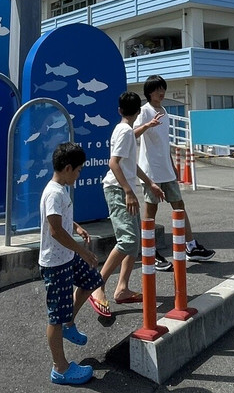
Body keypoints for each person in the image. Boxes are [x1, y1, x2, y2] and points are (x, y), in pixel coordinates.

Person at [89, 91, 165, 318]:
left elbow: (130, 165)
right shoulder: (124, 132)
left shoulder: (126, 131)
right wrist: (129, 192)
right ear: (138, 111)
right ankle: (98, 285)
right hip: (118, 189)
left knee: (134, 240)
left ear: (119, 110)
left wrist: (149, 183)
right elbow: (114, 163)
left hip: (124, 189)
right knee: (128, 240)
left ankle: (121, 288)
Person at [136, 75, 216, 270]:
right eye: (156, 90)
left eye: (162, 88)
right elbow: (132, 132)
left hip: (166, 169)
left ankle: (190, 246)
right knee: (151, 210)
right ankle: (150, 251)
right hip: (151, 171)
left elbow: (165, 143)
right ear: (148, 93)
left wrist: (172, 165)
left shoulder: (164, 111)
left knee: (179, 206)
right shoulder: (145, 111)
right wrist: (147, 125)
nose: (161, 92)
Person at [39, 142, 103, 386]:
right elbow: (55, 230)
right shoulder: (54, 192)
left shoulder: (59, 189)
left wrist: (75, 226)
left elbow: (59, 221)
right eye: (78, 170)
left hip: (66, 257)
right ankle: (60, 368)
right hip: (56, 263)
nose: (79, 174)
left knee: (92, 280)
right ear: (67, 168)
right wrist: (83, 252)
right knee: (54, 316)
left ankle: (69, 322)